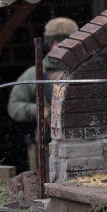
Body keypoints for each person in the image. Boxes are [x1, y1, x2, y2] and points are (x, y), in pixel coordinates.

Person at [7, 17, 78, 172]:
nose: (59, 45)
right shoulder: (34, 74)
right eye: (55, 40)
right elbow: (14, 106)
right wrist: (40, 111)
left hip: (78, 142)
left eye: (65, 40)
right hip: (44, 146)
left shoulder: (81, 72)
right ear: (47, 43)